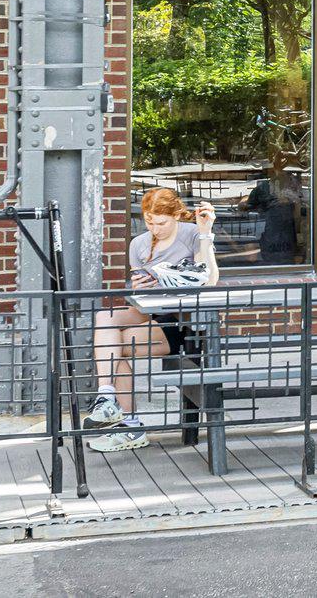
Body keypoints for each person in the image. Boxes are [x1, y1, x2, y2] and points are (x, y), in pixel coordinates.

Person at [88, 187, 219, 451]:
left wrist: (205, 234)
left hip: (180, 320)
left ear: (176, 216)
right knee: (105, 318)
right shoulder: (138, 244)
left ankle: (130, 426)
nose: (155, 228)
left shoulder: (192, 233)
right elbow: (139, 296)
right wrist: (139, 286)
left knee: (112, 350)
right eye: (149, 221)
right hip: (148, 311)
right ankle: (107, 397)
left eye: (161, 223)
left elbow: (210, 280)